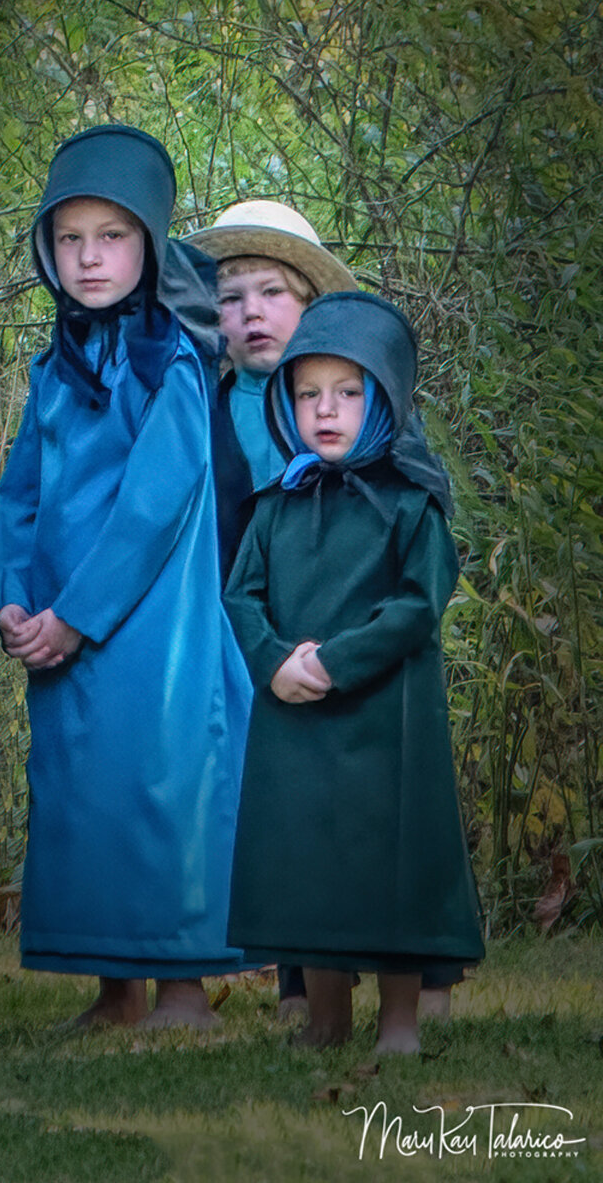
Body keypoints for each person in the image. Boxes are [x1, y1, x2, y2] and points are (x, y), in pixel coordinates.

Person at [0, 124, 251, 1029]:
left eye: (112, 236)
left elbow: (155, 504)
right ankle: (116, 995)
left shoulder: (171, 360)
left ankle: (182, 990)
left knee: (161, 788)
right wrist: (15, 598)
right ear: (46, 247)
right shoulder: (54, 371)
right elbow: (19, 494)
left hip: (151, 629)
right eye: (70, 238)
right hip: (60, 619)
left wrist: (79, 616)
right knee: (82, 796)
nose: (89, 258)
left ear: (148, 243)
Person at [224, 291, 484, 1049]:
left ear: (385, 398)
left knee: (389, 873)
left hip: (385, 724)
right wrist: (274, 663)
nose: (325, 410)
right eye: (309, 394)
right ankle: (327, 1018)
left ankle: (400, 1019)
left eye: (348, 391)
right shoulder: (277, 503)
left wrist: (335, 663)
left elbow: (415, 606)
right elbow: (240, 594)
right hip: (295, 723)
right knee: (312, 873)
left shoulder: (412, 505)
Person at [186, 200, 357, 1016]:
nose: (250, 313)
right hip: (235, 631)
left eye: (272, 292)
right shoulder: (205, 408)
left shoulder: (337, 408)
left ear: (311, 308)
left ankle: (379, 965)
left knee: (341, 794)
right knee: (270, 799)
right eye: (229, 297)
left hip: (329, 626)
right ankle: (291, 972)